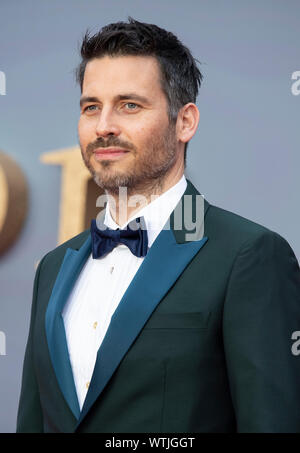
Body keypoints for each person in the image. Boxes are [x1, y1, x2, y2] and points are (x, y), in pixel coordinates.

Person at [17, 18, 300, 433]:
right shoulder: (54, 267)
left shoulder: (248, 255)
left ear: (185, 122)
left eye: (129, 105)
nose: (104, 125)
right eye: (91, 106)